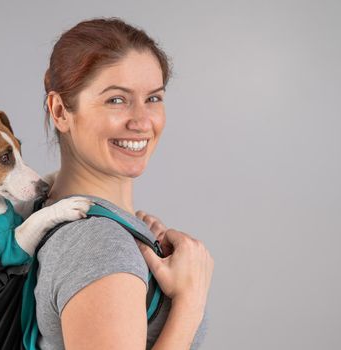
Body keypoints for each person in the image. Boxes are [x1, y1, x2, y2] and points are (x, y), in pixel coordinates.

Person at [34, 17, 214, 350]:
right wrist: (191, 300)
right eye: (117, 100)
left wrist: (131, 234)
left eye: (154, 98)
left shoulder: (44, 209)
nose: (142, 121)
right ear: (60, 111)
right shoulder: (99, 243)